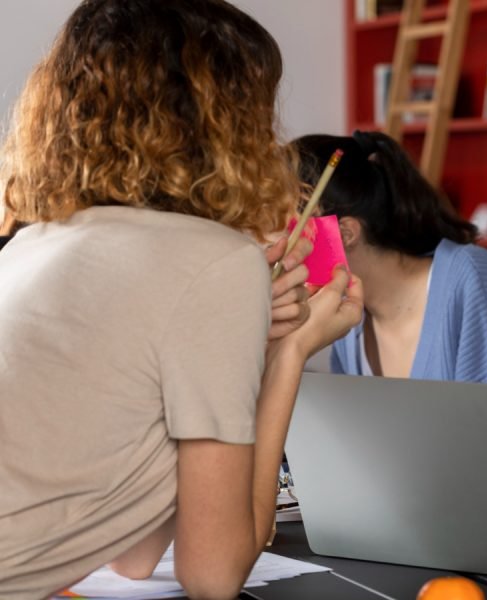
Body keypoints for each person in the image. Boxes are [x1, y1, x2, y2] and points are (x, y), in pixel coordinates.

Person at [0, 1, 363, 598]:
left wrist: (247, 330)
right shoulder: (216, 261)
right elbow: (214, 575)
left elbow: (134, 554)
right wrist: (288, 354)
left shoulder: (31, 245)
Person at [293, 132, 487, 395]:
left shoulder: (473, 282)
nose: (278, 249)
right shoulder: (346, 322)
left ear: (346, 233)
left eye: (287, 229)